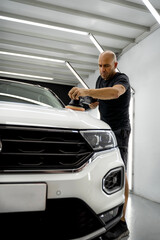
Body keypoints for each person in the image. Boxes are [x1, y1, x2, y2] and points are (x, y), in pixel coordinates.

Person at [68, 50, 131, 240]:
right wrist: (81, 100)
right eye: (100, 66)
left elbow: (114, 93)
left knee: (120, 173)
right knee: (104, 172)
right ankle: (105, 214)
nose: (102, 70)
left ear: (115, 65)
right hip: (104, 131)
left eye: (106, 66)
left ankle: (121, 222)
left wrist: (86, 90)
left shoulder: (122, 79)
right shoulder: (100, 81)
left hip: (119, 131)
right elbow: (95, 103)